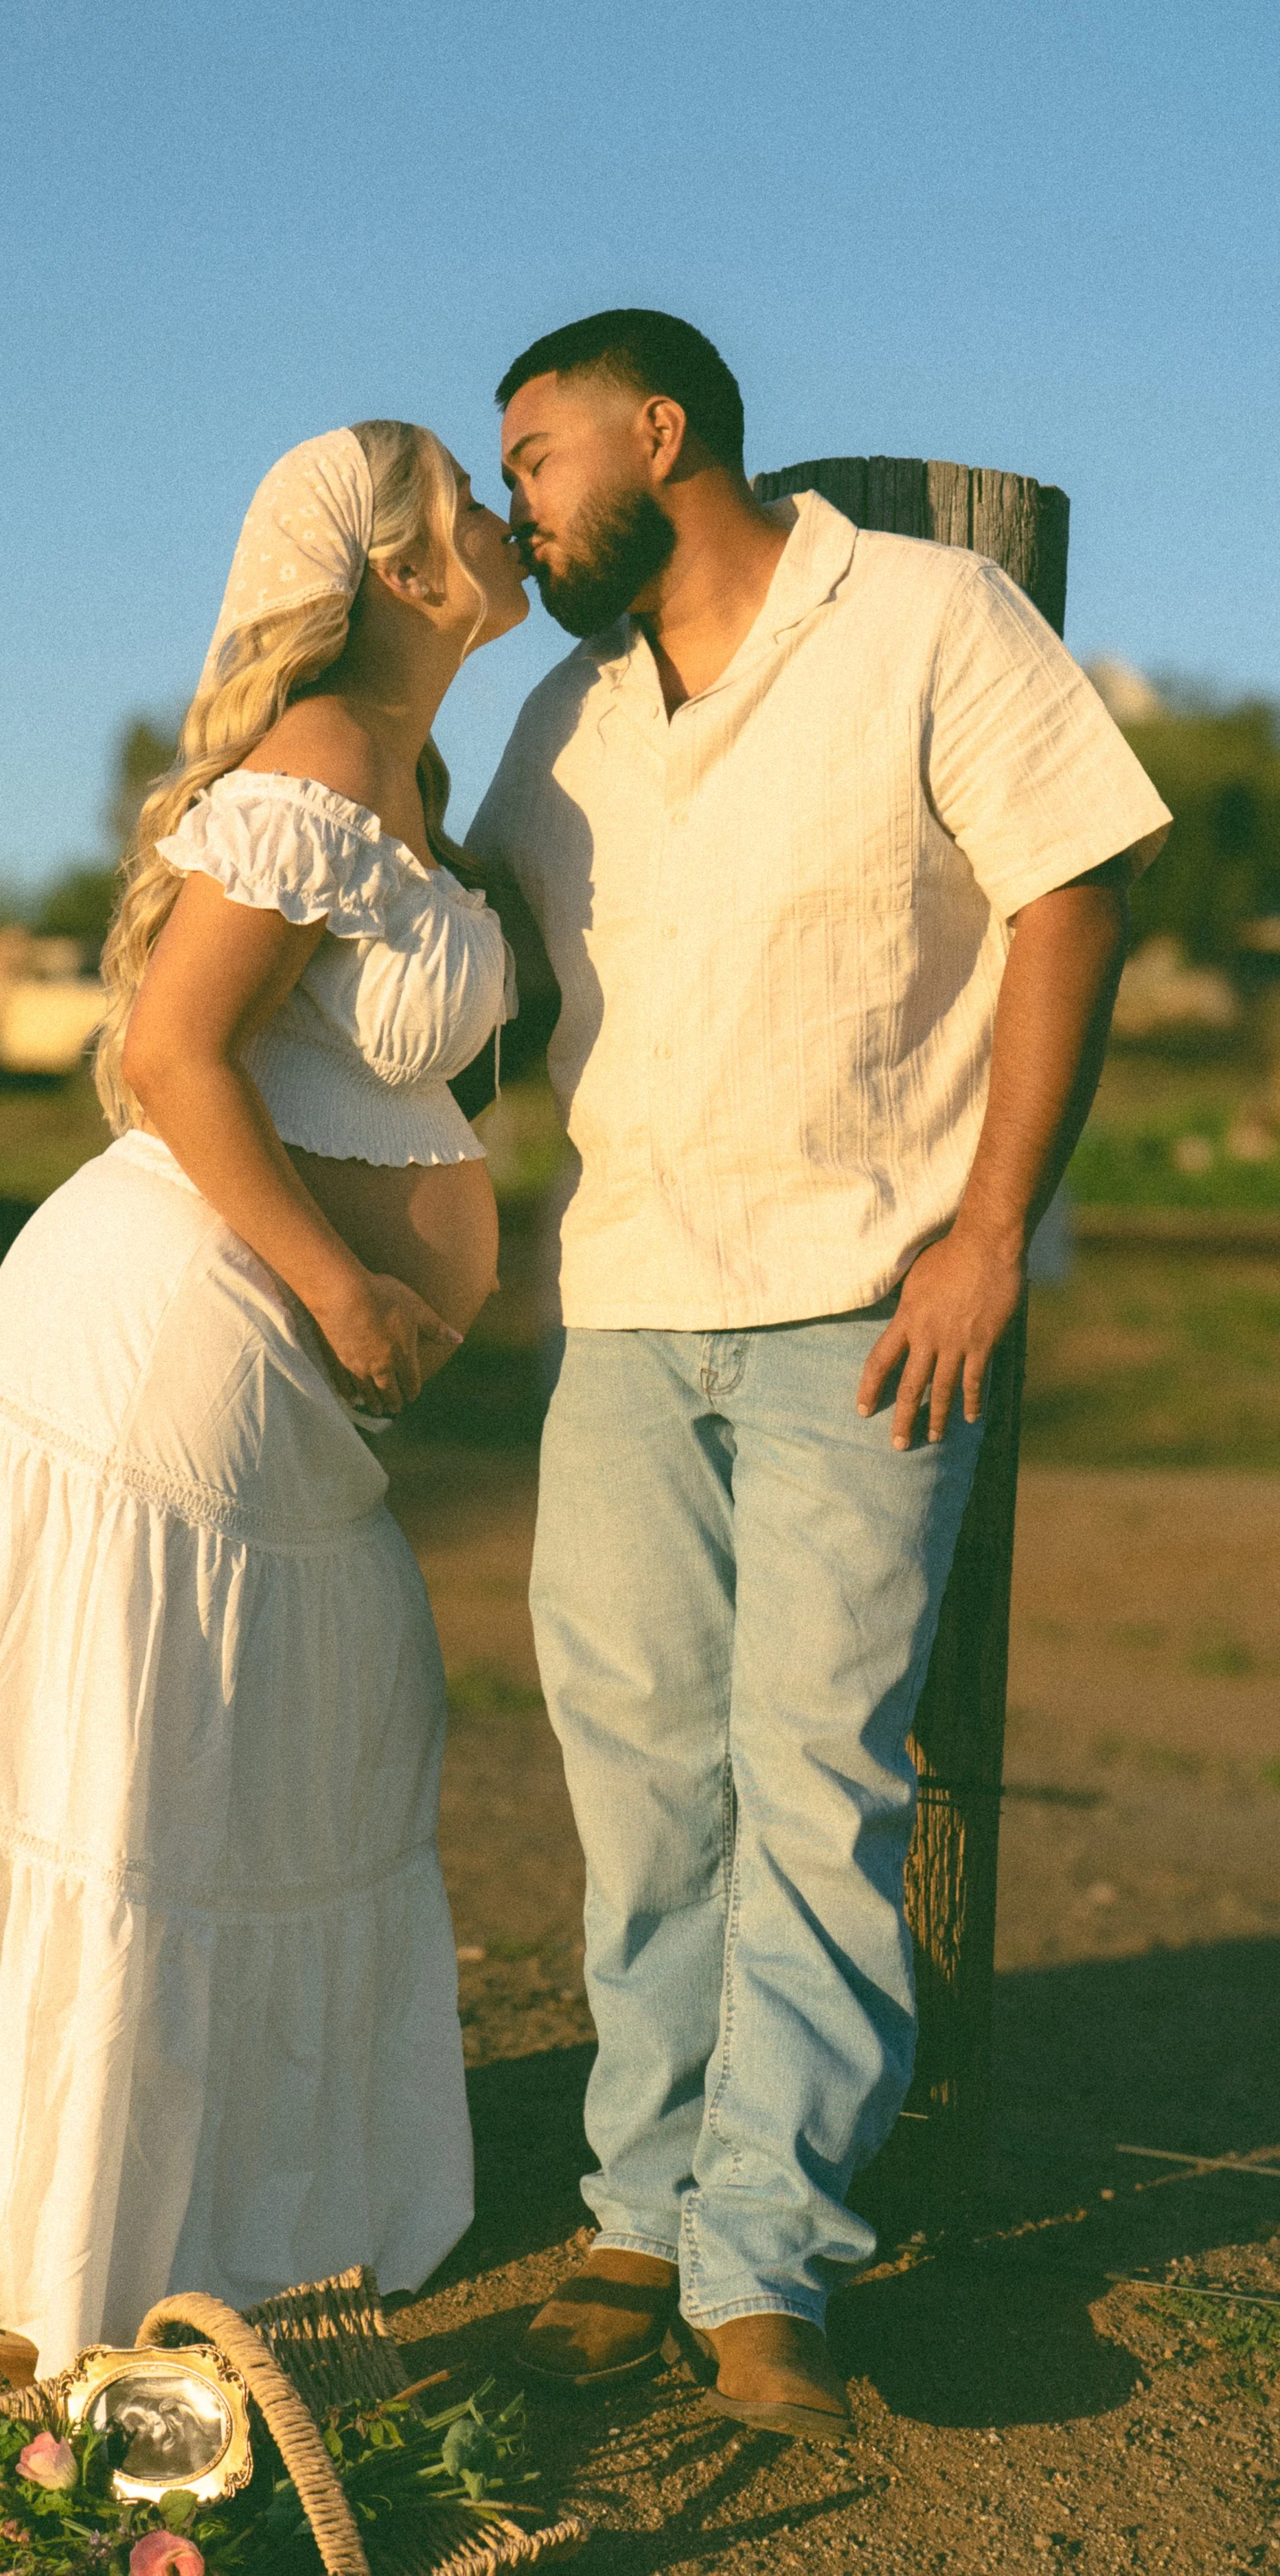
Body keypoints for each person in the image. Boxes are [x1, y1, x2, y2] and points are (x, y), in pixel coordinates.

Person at [0, 421, 530, 2380]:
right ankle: (83, 2235)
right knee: (153, 1766)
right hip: (182, 1316)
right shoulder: (326, 760)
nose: (508, 513)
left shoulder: (409, 777)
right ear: (402, 568)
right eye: (471, 494)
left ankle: (217, 2199)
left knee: (287, 1747)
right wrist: (346, 1282)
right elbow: (175, 1053)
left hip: (253, 1335)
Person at [468, 310, 1171, 2435]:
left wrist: (988, 1233)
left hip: (865, 1304)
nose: (517, 504)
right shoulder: (562, 719)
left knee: (816, 1778)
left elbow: (1073, 891)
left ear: (656, 427)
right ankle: (636, 2214)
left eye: (533, 456)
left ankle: (766, 2256)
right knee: (637, 1790)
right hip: (620, 1306)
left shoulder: (925, 609)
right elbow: (469, 978)